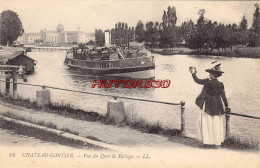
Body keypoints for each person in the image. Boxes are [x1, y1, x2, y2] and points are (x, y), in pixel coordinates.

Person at [190, 61, 230, 147]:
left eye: (210, 74)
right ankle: (217, 142)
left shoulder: (208, 82)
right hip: (218, 107)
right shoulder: (221, 84)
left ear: (214, 74)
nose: (209, 75)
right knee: (216, 124)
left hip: (208, 106)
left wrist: (193, 73)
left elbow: (197, 80)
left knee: (207, 123)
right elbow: (224, 97)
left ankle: (208, 142)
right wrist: (226, 106)